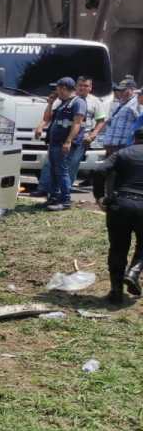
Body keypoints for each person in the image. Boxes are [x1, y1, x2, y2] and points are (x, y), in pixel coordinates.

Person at [92, 128, 143, 304]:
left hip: (120, 205)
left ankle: (116, 292)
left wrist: (100, 197)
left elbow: (99, 171)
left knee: (118, 248)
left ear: (134, 138)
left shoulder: (122, 153)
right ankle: (134, 272)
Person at [38, 76, 104, 197]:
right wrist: (41, 125)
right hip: (59, 140)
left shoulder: (90, 101)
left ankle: (64, 195)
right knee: (51, 166)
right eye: (80, 85)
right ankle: (46, 190)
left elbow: (98, 121)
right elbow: (50, 117)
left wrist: (92, 135)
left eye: (86, 86)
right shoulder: (63, 100)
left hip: (78, 139)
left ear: (90, 87)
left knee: (69, 167)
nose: (83, 88)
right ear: (76, 86)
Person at [34, 77, 86, 211]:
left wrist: (68, 141)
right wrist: (50, 103)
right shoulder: (62, 103)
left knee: (62, 172)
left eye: (57, 88)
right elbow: (47, 118)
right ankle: (53, 198)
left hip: (64, 143)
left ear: (63, 88)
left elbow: (77, 123)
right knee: (53, 171)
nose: (56, 90)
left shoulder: (78, 102)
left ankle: (65, 200)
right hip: (54, 143)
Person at [96, 79, 139, 158]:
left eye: (123, 90)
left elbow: (140, 123)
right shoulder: (122, 103)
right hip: (112, 146)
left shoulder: (136, 103)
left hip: (123, 146)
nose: (121, 92)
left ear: (132, 90)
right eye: (120, 90)